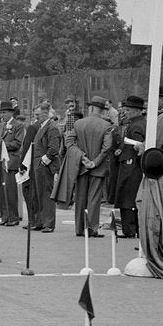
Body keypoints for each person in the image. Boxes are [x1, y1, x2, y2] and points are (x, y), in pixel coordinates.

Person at [66, 96, 114, 237]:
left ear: (91, 108)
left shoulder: (79, 123)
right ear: (102, 110)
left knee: (80, 197)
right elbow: (107, 148)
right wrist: (95, 162)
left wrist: (82, 157)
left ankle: (79, 228)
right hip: (97, 169)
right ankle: (91, 228)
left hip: (81, 166)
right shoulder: (107, 126)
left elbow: (69, 142)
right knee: (94, 199)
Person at [113, 95, 146, 238]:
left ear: (137, 110)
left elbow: (139, 148)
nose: (124, 112)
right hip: (131, 165)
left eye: (128, 109)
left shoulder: (136, 126)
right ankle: (132, 229)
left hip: (131, 167)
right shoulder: (138, 123)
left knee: (127, 198)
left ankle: (129, 230)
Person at [27, 101, 61, 233]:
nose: (36, 117)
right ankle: (40, 221)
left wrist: (44, 161)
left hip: (45, 166)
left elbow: (54, 148)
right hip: (38, 165)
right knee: (38, 194)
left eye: (38, 114)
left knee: (46, 195)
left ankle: (48, 223)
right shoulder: (43, 126)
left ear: (46, 113)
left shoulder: (51, 127)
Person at [0, 105, 25, 226]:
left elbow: (17, 143)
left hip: (11, 160)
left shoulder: (18, 126)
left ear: (10, 113)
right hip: (0, 160)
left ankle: (13, 217)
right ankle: (4, 216)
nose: (2, 115)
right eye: (1, 113)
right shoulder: (1, 126)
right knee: (1, 190)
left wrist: (3, 144)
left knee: (10, 190)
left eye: (4, 113)